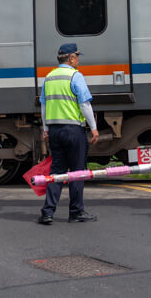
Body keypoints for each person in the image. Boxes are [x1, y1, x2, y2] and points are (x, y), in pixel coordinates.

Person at [38, 43, 99, 225]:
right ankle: (76, 212)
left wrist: (46, 129)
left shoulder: (49, 78)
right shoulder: (75, 76)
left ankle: (47, 212)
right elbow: (85, 104)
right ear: (71, 58)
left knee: (56, 172)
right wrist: (93, 127)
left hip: (55, 131)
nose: (78, 60)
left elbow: (44, 105)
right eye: (77, 56)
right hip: (73, 130)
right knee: (77, 172)